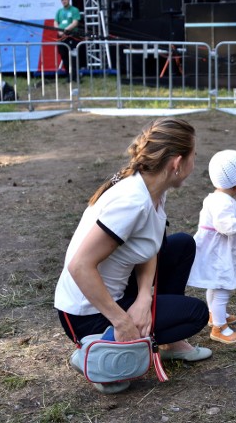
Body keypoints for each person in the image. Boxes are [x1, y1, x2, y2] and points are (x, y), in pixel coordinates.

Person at [54, 118, 210, 394]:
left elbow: (149, 246)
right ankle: (97, 348)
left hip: (116, 291)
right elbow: (79, 265)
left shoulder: (153, 188)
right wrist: (122, 321)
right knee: (196, 314)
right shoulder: (132, 202)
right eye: (194, 156)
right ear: (176, 163)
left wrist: (144, 296)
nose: (194, 164)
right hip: (86, 313)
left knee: (182, 245)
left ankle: (168, 344)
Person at [188, 150, 236, 345]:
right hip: (219, 253)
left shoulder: (217, 197)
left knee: (216, 284)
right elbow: (225, 225)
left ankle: (214, 314)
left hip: (215, 250)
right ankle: (219, 327)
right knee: (222, 287)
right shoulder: (223, 203)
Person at [54, 0, 80, 81]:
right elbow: (55, 22)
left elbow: (75, 22)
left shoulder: (74, 10)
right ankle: (68, 75)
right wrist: (59, 30)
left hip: (71, 36)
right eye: (62, 0)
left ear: (69, 0)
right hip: (61, 37)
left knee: (73, 56)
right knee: (64, 56)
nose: (64, 1)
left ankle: (75, 76)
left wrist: (65, 30)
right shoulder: (59, 11)